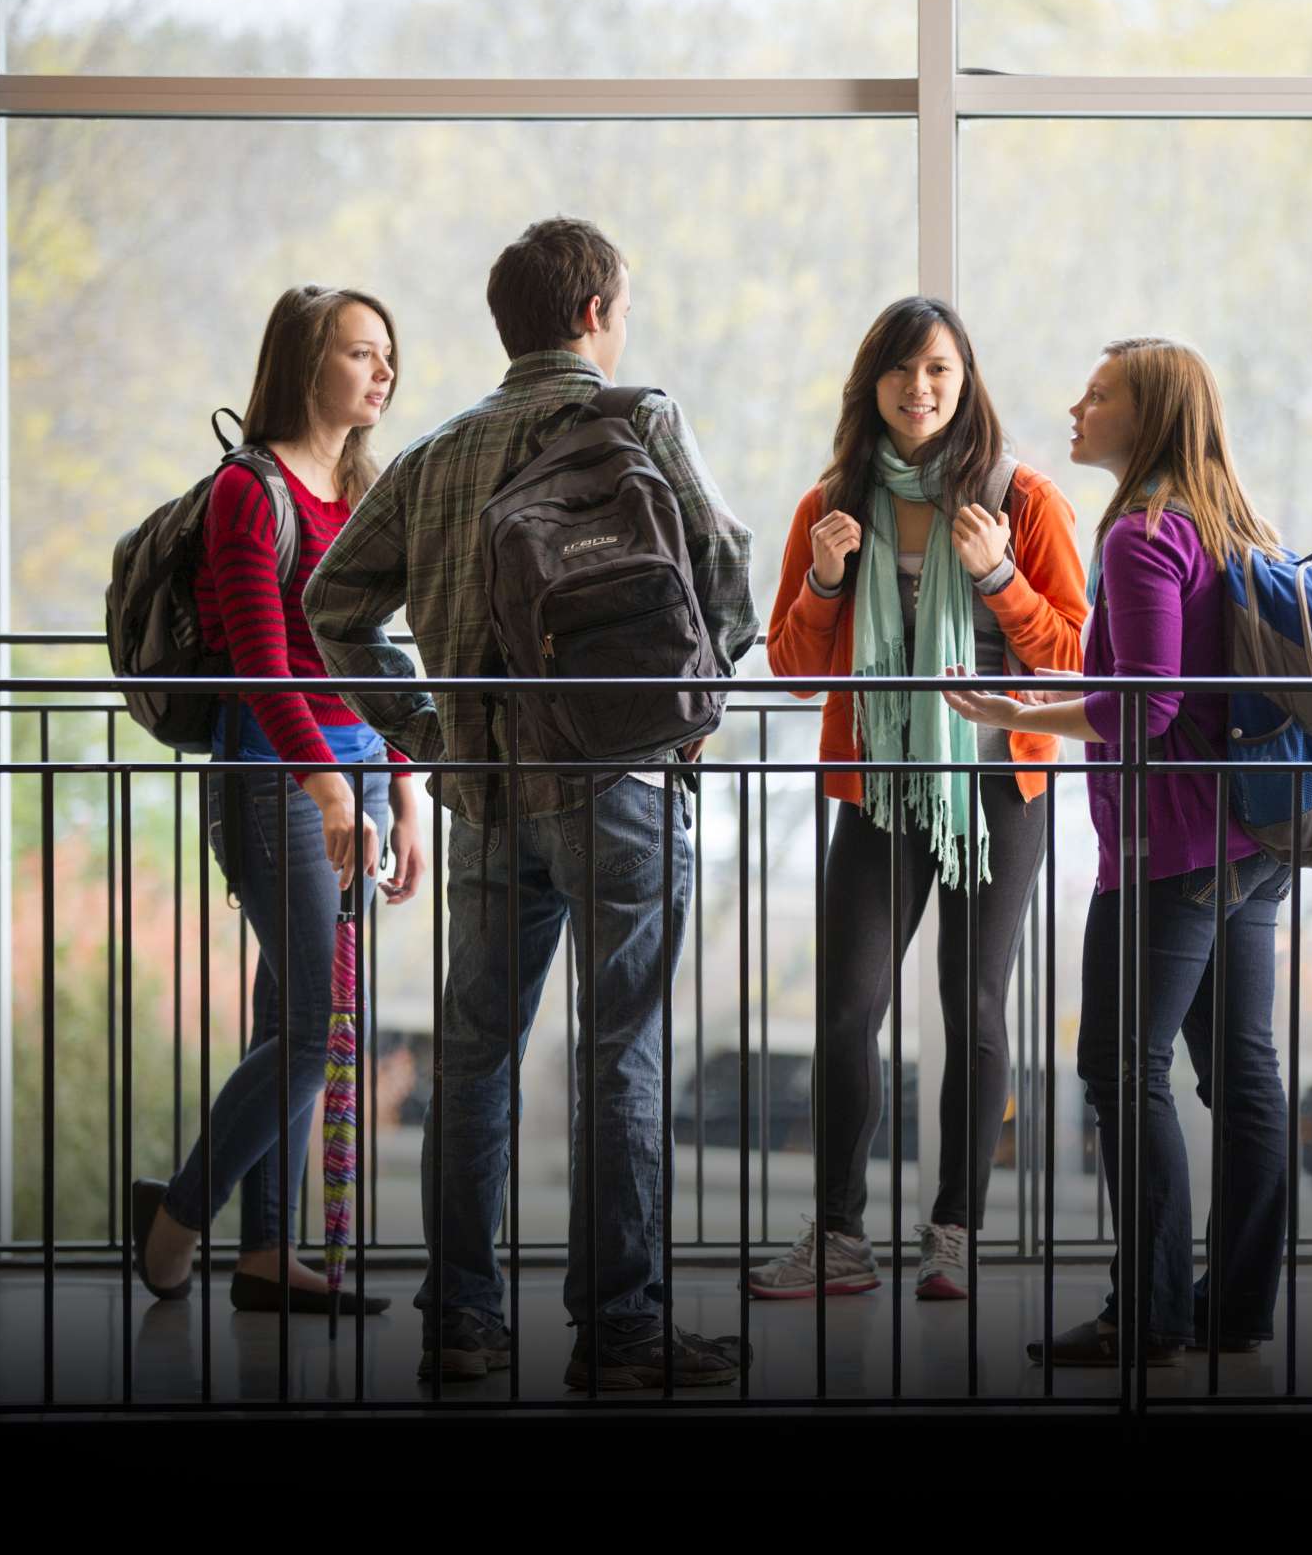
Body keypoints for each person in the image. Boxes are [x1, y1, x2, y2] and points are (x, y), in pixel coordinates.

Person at [304, 217, 759, 1390]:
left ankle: (460, 1322)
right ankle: (618, 1333)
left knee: (473, 1051)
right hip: (617, 788)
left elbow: (332, 606)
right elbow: (726, 589)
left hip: (487, 797)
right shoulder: (637, 421)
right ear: (598, 311)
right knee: (620, 1053)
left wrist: (425, 731)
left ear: (507, 324)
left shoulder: (440, 454)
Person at [944, 336, 1291, 1366]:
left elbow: (1145, 709)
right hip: (1250, 839)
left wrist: (1019, 711)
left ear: (1148, 419)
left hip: (1172, 847)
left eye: (1101, 395)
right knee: (1244, 1076)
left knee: (1119, 1067)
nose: (1077, 406)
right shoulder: (1230, 523)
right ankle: (1233, 1308)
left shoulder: (1141, 535)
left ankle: (1147, 1317)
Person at [752, 297, 1088, 1302]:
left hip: (998, 788)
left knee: (974, 1004)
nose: (921, 389)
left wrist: (996, 580)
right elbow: (794, 669)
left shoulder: (1022, 500)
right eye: (901, 371)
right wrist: (822, 579)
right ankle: (841, 1238)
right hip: (879, 788)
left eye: (939, 369)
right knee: (850, 1008)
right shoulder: (832, 504)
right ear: (873, 387)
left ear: (966, 377)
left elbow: (1077, 656)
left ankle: (955, 1232)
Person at [131, 284, 425, 1317]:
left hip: (348, 785)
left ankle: (266, 1256)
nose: (382, 371)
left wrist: (399, 789)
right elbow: (264, 664)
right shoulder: (249, 493)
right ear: (306, 364)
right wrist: (333, 784)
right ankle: (174, 1220)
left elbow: (370, 658)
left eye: (388, 354)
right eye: (359, 352)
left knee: (290, 1015)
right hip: (279, 782)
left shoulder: (361, 488)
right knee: (317, 1026)